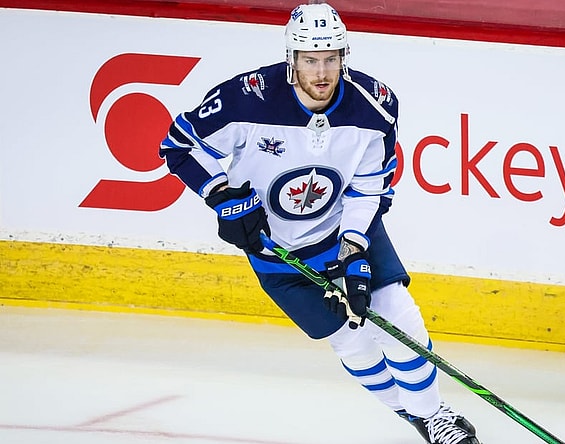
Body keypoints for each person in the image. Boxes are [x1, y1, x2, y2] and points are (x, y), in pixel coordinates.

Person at [159, 3, 481, 444]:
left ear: (343, 55)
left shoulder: (376, 107)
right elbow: (177, 146)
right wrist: (221, 196)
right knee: (352, 342)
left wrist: (352, 250)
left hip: (346, 227)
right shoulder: (244, 98)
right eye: (310, 59)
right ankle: (415, 416)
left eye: (331, 58)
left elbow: (370, 188)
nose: (322, 71)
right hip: (275, 250)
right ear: (291, 57)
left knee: (396, 316)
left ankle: (434, 418)